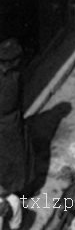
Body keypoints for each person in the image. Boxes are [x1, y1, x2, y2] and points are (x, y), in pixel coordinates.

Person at [0, 39, 32, 198]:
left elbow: (19, 99)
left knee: (19, 155)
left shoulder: (17, 75)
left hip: (14, 120)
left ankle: (18, 188)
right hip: (4, 123)